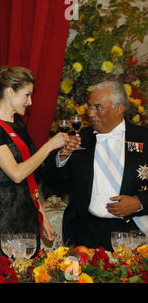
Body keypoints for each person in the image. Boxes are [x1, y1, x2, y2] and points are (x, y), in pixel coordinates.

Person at [0, 66, 78, 256]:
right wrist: (49, 146)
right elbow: (16, 174)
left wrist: (43, 216)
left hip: (28, 212)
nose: (30, 102)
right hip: (5, 214)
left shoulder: (19, 126)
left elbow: (30, 177)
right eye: (27, 95)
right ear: (10, 92)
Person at [46, 80, 147, 251]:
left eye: (98, 107)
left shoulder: (144, 138)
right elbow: (53, 182)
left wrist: (140, 203)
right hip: (85, 232)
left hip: (133, 233)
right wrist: (63, 155)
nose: (90, 113)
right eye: (89, 106)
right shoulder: (78, 139)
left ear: (119, 108)